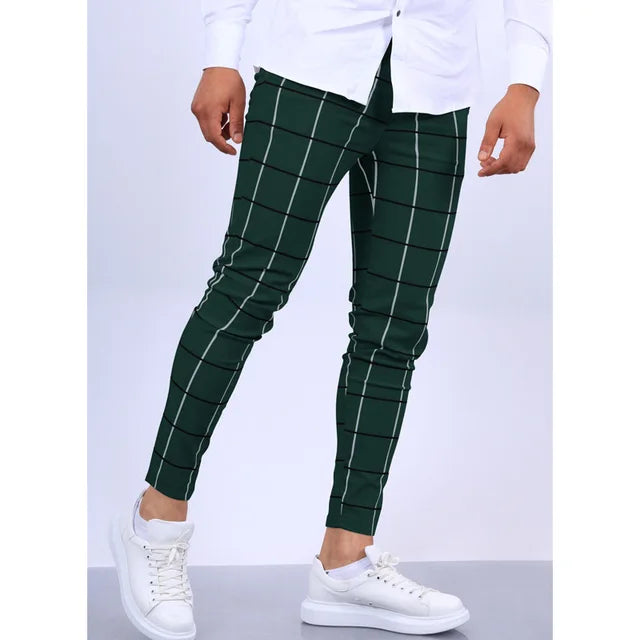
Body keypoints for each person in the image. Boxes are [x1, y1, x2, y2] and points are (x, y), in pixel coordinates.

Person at [109, 1, 551, 638]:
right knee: (247, 289)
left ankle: (345, 561)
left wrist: (526, 80)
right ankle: (155, 521)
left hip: (435, 83)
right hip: (310, 69)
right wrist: (220, 52)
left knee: (394, 327)